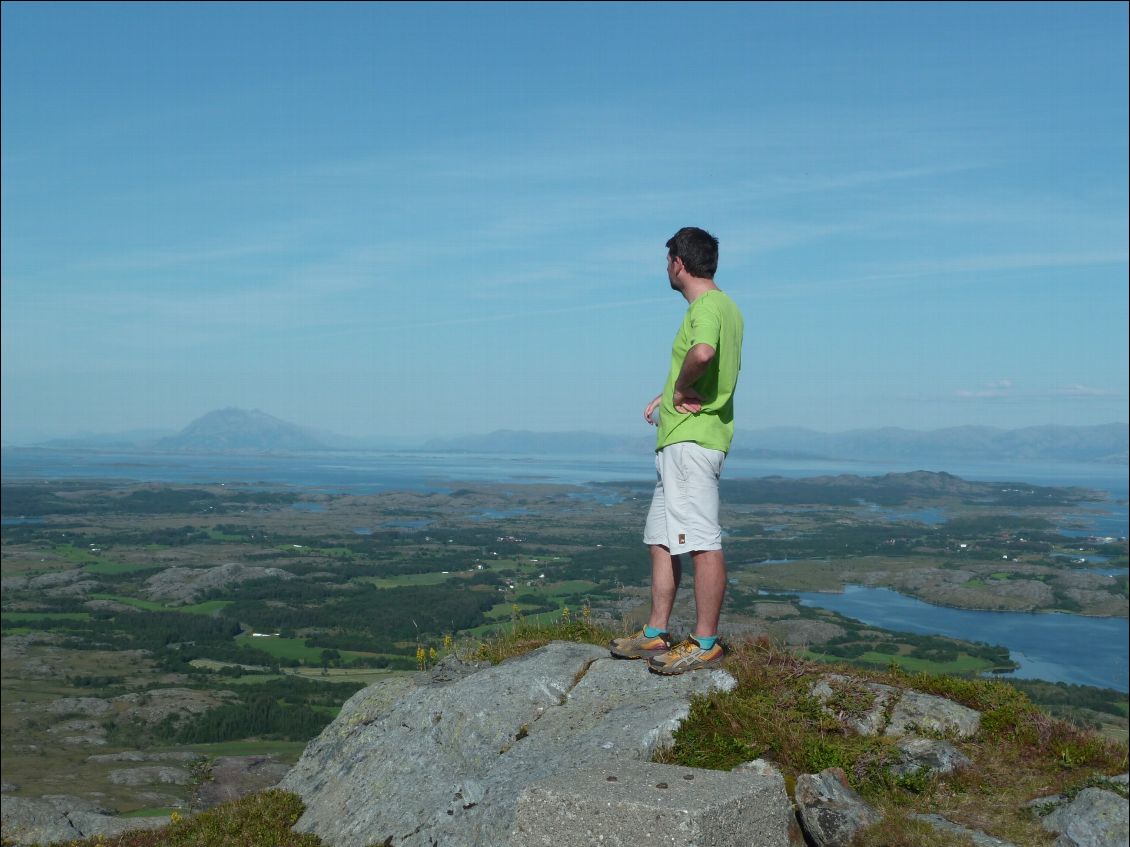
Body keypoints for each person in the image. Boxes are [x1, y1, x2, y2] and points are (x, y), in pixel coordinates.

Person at [610, 226, 744, 675]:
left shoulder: (706, 307)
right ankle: (656, 633)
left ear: (678, 264)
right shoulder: (724, 307)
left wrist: (682, 387)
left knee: (701, 543)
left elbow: (703, 354)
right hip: (681, 440)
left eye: (667, 261)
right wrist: (667, 395)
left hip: (692, 443)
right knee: (661, 540)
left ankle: (705, 643)